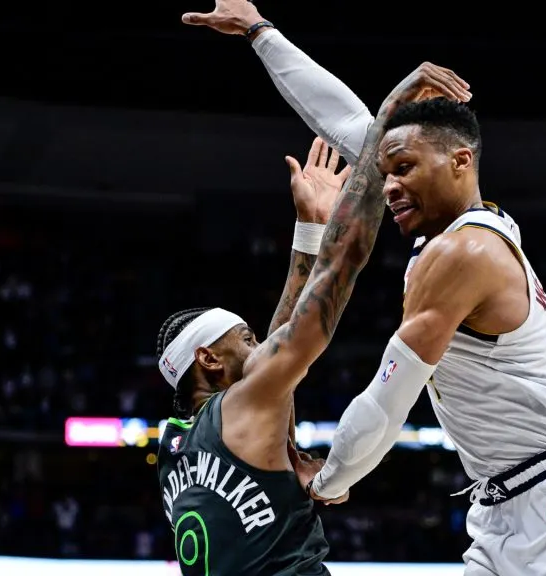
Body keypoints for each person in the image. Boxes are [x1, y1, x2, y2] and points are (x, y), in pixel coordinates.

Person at [183, 4, 546, 576]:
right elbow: (347, 123)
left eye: (403, 168)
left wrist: (329, 479)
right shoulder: (454, 227)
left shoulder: (463, 253)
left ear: (461, 160)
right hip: (503, 504)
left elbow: (389, 400)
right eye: (385, 172)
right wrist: (262, 34)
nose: (390, 185)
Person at [155, 64, 471, 576]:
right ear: (209, 359)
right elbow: (340, 263)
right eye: (246, 337)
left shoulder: (177, 445)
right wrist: (384, 129)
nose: (260, 343)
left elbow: (275, 350)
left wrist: (307, 228)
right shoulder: (247, 403)